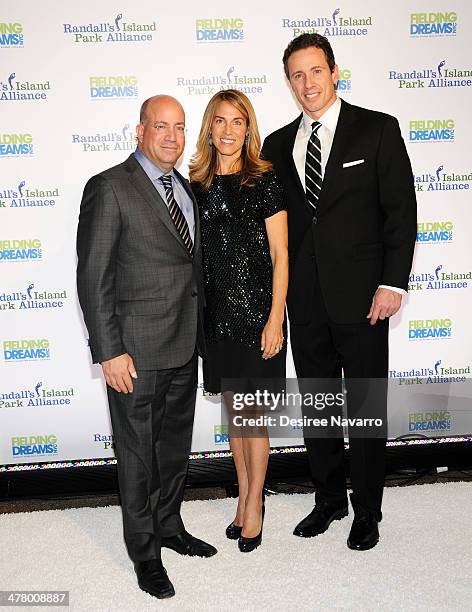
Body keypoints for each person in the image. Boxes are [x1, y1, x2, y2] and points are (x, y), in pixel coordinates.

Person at [262, 34, 417, 550]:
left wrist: (393, 282)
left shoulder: (376, 130)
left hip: (365, 300)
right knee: (319, 406)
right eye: (297, 76)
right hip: (305, 304)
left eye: (315, 72)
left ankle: (367, 511)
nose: (307, 84)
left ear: (334, 72)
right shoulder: (277, 146)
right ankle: (329, 500)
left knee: (366, 406)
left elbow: (400, 212)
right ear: (289, 83)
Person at [76, 95, 216, 600]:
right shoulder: (110, 187)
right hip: (132, 353)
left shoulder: (184, 187)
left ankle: (170, 526)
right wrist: (109, 351)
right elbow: (93, 277)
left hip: (183, 346)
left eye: (179, 128)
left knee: (173, 449)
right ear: (140, 131)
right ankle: (144, 554)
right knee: (137, 456)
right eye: (161, 126)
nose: (172, 137)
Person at [189, 89, 288, 553]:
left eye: (238, 122)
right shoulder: (197, 185)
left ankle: (253, 505)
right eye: (221, 121)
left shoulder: (264, 180)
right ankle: (246, 499)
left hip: (257, 316)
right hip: (217, 319)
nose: (229, 130)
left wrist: (275, 319)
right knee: (235, 419)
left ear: (248, 129)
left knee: (255, 419)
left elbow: (280, 255)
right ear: (210, 127)